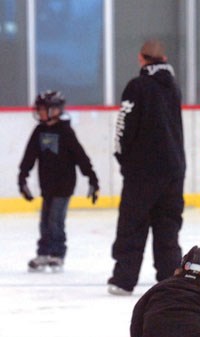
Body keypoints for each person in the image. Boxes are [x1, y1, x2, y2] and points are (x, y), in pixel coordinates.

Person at [108, 39, 185, 296]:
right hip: (174, 169)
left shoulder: (137, 87)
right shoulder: (173, 87)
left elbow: (123, 127)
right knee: (168, 226)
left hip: (142, 172)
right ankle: (170, 278)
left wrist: (124, 160)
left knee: (132, 224)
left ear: (141, 58)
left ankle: (123, 279)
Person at [18, 90, 100, 272]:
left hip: (64, 186)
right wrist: (22, 178)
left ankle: (57, 253)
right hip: (47, 186)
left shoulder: (66, 132)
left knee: (56, 220)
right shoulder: (39, 131)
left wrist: (92, 179)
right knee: (45, 221)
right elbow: (29, 156)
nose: (38, 112)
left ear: (54, 110)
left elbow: (81, 157)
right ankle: (44, 252)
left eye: (42, 109)